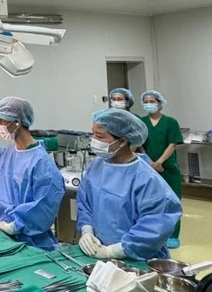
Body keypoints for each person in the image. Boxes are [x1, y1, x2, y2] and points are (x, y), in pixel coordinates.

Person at [78, 109, 182, 260]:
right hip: (97, 250)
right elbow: (84, 201)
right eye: (92, 134)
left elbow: (155, 226)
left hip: (137, 259)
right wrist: (86, 230)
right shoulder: (96, 166)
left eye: (99, 136)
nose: (93, 140)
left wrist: (114, 251)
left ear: (123, 141)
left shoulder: (146, 179)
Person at [0, 97, 65, 251]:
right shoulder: (9, 153)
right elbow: (3, 189)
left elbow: (44, 207)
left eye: (2, 121)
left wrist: (16, 225)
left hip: (32, 243)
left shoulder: (42, 163)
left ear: (17, 123)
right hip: (4, 235)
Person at [139, 90, 185, 249]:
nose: (149, 104)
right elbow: (139, 143)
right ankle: (153, 234)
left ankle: (173, 235)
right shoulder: (141, 122)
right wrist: (150, 162)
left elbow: (172, 144)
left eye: (152, 101)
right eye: (146, 101)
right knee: (150, 202)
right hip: (147, 166)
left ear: (160, 103)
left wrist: (159, 162)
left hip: (168, 168)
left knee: (172, 201)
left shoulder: (171, 122)